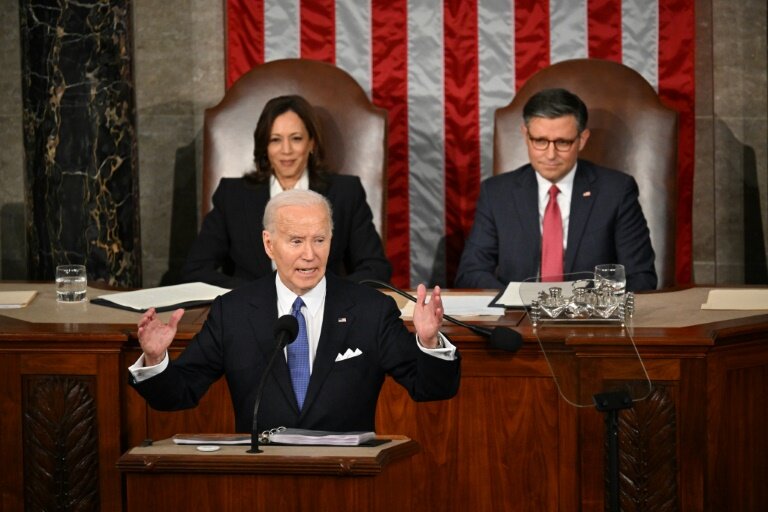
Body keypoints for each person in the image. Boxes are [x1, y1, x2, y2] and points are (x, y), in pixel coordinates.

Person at [130, 189, 460, 433]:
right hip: (261, 480)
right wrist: (156, 359)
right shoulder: (233, 312)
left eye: (319, 240)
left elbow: (431, 389)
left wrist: (429, 343)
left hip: (347, 479)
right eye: (296, 241)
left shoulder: (370, 309)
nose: (310, 255)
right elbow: (178, 395)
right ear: (269, 244)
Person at [455, 88, 657, 292]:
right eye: (540, 141)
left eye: (562, 142)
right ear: (525, 136)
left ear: (582, 139)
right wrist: (512, 300)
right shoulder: (497, 193)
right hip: (517, 310)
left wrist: (590, 304)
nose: (551, 155)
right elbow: (471, 273)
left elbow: (641, 276)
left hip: (589, 311)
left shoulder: (616, 191)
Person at [181, 94, 392, 289]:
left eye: (296, 138)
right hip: (252, 309)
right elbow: (196, 270)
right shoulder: (232, 195)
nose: (286, 150)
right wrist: (257, 294)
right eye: (275, 140)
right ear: (265, 147)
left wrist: (326, 294)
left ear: (311, 143)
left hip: (324, 310)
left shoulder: (345, 192)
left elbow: (375, 269)